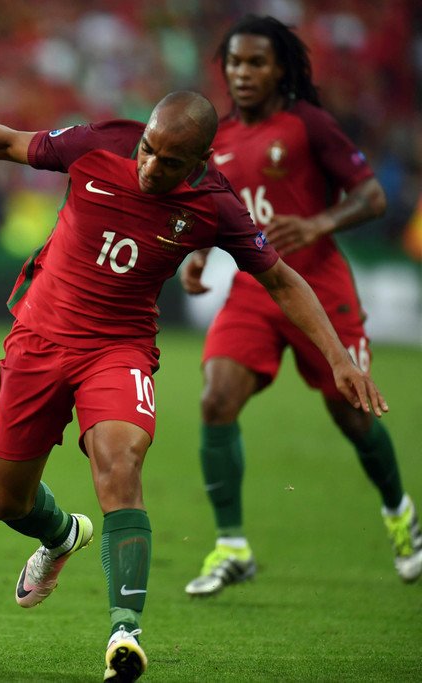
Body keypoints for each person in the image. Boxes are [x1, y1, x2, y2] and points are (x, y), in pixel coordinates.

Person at [0, 77, 386, 682]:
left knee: (121, 465)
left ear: (201, 161)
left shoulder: (215, 204)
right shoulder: (99, 143)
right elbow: (7, 143)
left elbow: (282, 280)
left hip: (119, 350)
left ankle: (124, 633)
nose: (151, 166)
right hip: (39, 338)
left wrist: (339, 358)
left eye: (170, 161)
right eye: (149, 150)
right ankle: (62, 535)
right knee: (6, 501)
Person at [180, 14, 422, 597]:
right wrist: (196, 252)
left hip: (322, 291)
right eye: (234, 62)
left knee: (353, 416)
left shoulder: (309, 124)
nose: (243, 73)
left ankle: (401, 514)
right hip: (256, 290)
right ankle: (232, 547)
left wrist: (317, 223)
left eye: (256, 62)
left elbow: (372, 196)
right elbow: (215, 210)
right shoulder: (219, 139)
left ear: (281, 69)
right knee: (216, 399)